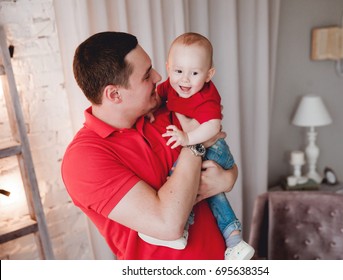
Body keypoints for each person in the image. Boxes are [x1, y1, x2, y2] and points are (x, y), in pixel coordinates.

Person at [61, 31, 239, 260]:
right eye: (146, 76)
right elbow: (168, 225)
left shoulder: (165, 108)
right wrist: (194, 144)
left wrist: (228, 178)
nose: (158, 77)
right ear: (114, 94)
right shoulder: (84, 160)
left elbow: (221, 154)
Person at [139, 32, 254, 260]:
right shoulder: (170, 87)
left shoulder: (206, 96)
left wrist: (187, 139)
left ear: (209, 74)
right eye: (178, 71)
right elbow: (160, 97)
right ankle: (234, 239)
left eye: (195, 73)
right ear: (169, 67)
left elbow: (213, 126)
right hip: (205, 147)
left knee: (179, 178)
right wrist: (152, 110)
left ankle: (182, 228)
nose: (185, 80)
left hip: (217, 149)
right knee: (211, 195)